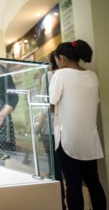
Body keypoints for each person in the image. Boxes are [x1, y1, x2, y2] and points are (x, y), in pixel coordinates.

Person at [49, 39, 106, 210]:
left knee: (73, 184)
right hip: (89, 139)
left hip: (67, 138)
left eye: (57, 60)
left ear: (62, 58)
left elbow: (52, 105)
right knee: (93, 181)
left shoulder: (60, 75)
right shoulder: (92, 75)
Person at [34, 51, 66, 210]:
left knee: (56, 170)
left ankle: (60, 202)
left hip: (50, 130)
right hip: (67, 129)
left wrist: (38, 124)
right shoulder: (69, 75)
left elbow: (44, 104)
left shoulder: (48, 76)